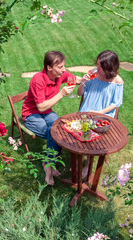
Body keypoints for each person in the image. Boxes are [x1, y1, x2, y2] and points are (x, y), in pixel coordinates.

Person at [21, 51, 82, 185]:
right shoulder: (38, 79)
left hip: (47, 112)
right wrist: (61, 94)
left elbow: (75, 79)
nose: (64, 70)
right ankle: (49, 167)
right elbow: (41, 107)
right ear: (49, 68)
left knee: (60, 128)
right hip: (32, 114)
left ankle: (48, 163)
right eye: (60, 67)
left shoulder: (60, 74)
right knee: (53, 132)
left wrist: (88, 79)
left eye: (63, 66)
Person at [77, 50, 123, 178]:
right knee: (79, 130)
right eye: (97, 64)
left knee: (93, 135)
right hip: (87, 110)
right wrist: (83, 82)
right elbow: (80, 93)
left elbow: (116, 103)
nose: (97, 68)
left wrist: (99, 112)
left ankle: (87, 165)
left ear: (109, 67)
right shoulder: (93, 74)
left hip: (103, 114)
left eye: (100, 66)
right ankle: (80, 154)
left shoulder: (117, 81)